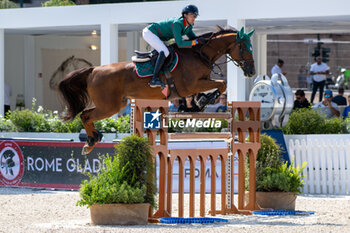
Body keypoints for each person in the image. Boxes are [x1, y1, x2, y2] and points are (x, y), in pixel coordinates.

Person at [142, 4, 204, 88]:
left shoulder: (188, 27)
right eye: (192, 15)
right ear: (185, 15)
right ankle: (154, 79)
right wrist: (195, 42)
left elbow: (193, 38)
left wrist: (204, 40)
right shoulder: (177, 24)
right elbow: (180, 43)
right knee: (165, 52)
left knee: (169, 51)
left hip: (159, 36)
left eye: (195, 16)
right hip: (150, 33)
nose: (194, 18)